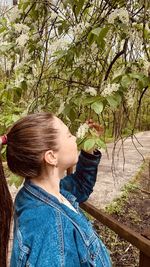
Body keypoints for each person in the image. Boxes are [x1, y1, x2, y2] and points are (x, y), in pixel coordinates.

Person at [0, 112, 112, 267]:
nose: (74, 138)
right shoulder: (51, 227)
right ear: (51, 157)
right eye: (68, 135)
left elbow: (80, 186)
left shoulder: (36, 192)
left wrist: (90, 148)